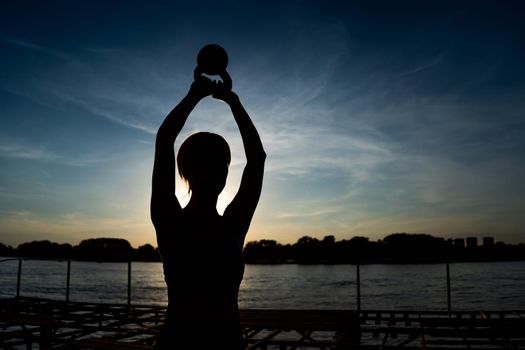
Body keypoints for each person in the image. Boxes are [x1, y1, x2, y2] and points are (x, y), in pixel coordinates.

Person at [151, 67, 266, 350]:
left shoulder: (232, 224)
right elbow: (165, 139)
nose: (215, 171)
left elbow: (257, 159)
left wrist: (233, 101)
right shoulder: (170, 220)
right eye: (205, 163)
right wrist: (194, 96)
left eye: (221, 164)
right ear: (187, 171)